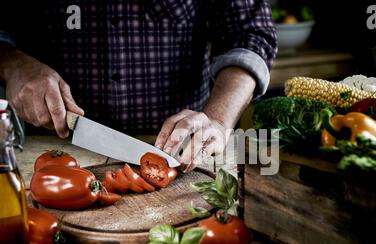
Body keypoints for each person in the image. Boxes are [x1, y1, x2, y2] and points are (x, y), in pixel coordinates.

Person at [0, 1, 277, 171]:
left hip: (186, 153)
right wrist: (12, 63)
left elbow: (250, 33)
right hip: (49, 156)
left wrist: (216, 119)